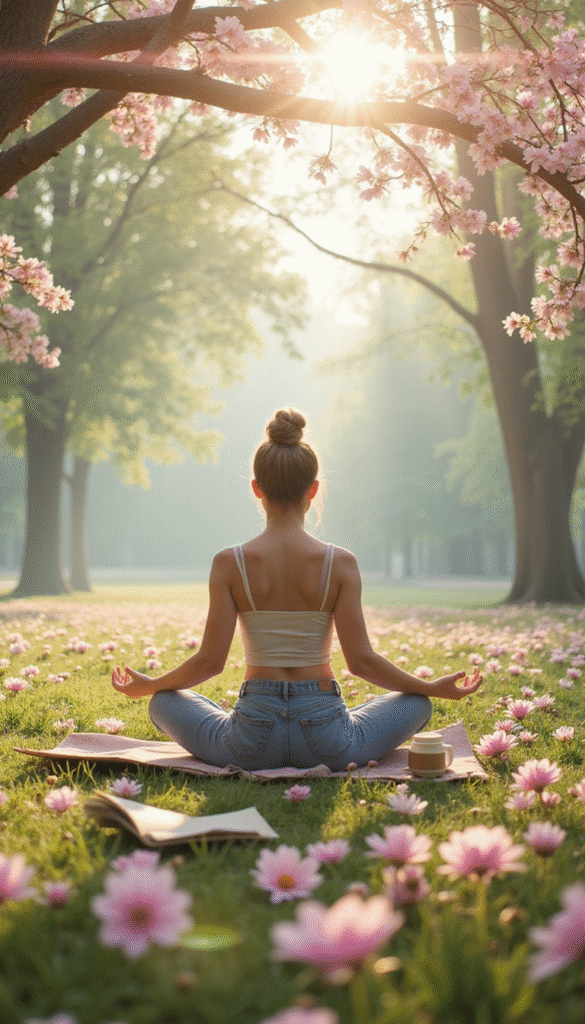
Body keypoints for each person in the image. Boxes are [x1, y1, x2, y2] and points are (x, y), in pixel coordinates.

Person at [112, 408, 482, 771]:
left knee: (162, 702)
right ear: (314, 489)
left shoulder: (230, 563)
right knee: (418, 705)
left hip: (248, 744)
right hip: (330, 743)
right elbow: (361, 662)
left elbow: (210, 661)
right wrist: (432, 688)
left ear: (256, 489)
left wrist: (152, 685)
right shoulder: (340, 563)